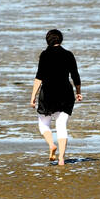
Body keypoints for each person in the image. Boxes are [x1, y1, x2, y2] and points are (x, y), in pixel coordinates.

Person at [29, 28, 82, 165]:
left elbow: (38, 77)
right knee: (61, 125)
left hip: (48, 94)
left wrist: (33, 97)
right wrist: (78, 92)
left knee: (43, 124)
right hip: (66, 94)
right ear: (61, 40)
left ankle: (51, 145)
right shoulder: (68, 54)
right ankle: (61, 159)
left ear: (48, 40)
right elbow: (75, 75)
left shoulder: (44, 55)